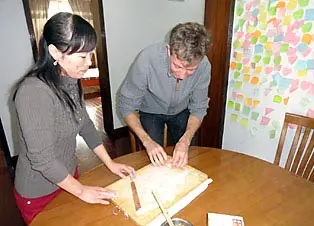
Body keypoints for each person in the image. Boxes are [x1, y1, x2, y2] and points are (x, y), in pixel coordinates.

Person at [12, 12, 135, 225]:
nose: (88, 63)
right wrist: (80, 191)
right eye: (82, 56)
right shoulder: (33, 92)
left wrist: (110, 163)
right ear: (55, 52)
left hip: (68, 177)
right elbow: (43, 159)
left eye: (90, 55)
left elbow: (85, 125)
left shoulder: (69, 79)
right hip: (39, 192)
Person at [119, 22, 212, 168]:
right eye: (177, 66)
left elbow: (199, 107)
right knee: (154, 160)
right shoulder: (147, 60)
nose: (182, 75)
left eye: (191, 70)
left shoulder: (204, 66)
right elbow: (126, 106)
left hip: (182, 110)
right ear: (169, 50)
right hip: (151, 111)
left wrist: (186, 140)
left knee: (185, 158)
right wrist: (147, 141)